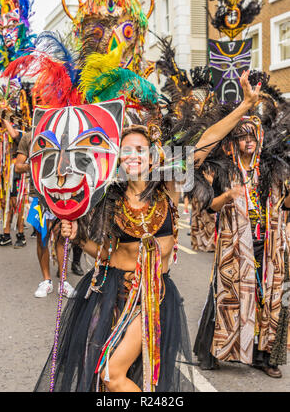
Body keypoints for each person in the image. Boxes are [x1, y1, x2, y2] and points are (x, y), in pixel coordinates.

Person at [34, 73, 261, 392]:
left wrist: (245, 106)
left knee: (113, 375)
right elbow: (102, 251)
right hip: (109, 293)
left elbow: (205, 143)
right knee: (105, 381)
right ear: (117, 158)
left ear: (153, 154)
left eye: (140, 149)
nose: (133, 156)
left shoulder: (168, 185)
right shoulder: (108, 195)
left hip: (153, 298)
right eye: (125, 151)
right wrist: (74, 234)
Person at [193, 110, 290, 378]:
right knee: (227, 296)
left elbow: (286, 206)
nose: (249, 141)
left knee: (269, 300)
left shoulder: (272, 169)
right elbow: (210, 206)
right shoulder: (224, 170)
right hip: (235, 245)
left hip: (268, 245)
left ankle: (264, 357)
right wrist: (227, 195)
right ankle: (213, 352)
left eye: (253, 136)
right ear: (234, 141)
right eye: (242, 136)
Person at [15, 131, 75, 298]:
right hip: (40, 196)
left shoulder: (66, 132)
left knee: (62, 237)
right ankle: (46, 281)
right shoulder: (29, 137)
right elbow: (18, 166)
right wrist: (34, 165)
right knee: (42, 238)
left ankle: (63, 282)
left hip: (63, 195)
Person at [0, 119, 26, 248]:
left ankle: (21, 236)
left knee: (17, 203)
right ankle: (6, 236)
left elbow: (15, 136)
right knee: (6, 204)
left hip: (16, 174)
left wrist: (4, 118)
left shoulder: (19, 127)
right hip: (5, 173)